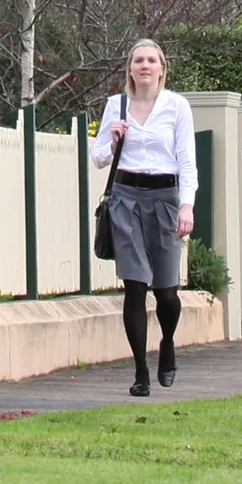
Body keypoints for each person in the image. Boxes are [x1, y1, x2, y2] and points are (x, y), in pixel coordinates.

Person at [91, 38, 196, 398]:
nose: (145, 66)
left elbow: (186, 161)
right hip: (125, 198)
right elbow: (98, 157)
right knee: (135, 285)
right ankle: (140, 372)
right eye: (139, 60)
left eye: (152, 60)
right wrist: (113, 141)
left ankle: (167, 343)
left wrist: (187, 205)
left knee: (166, 291)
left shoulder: (177, 106)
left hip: (165, 198)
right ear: (130, 69)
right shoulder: (115, 106)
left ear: (162, 68)